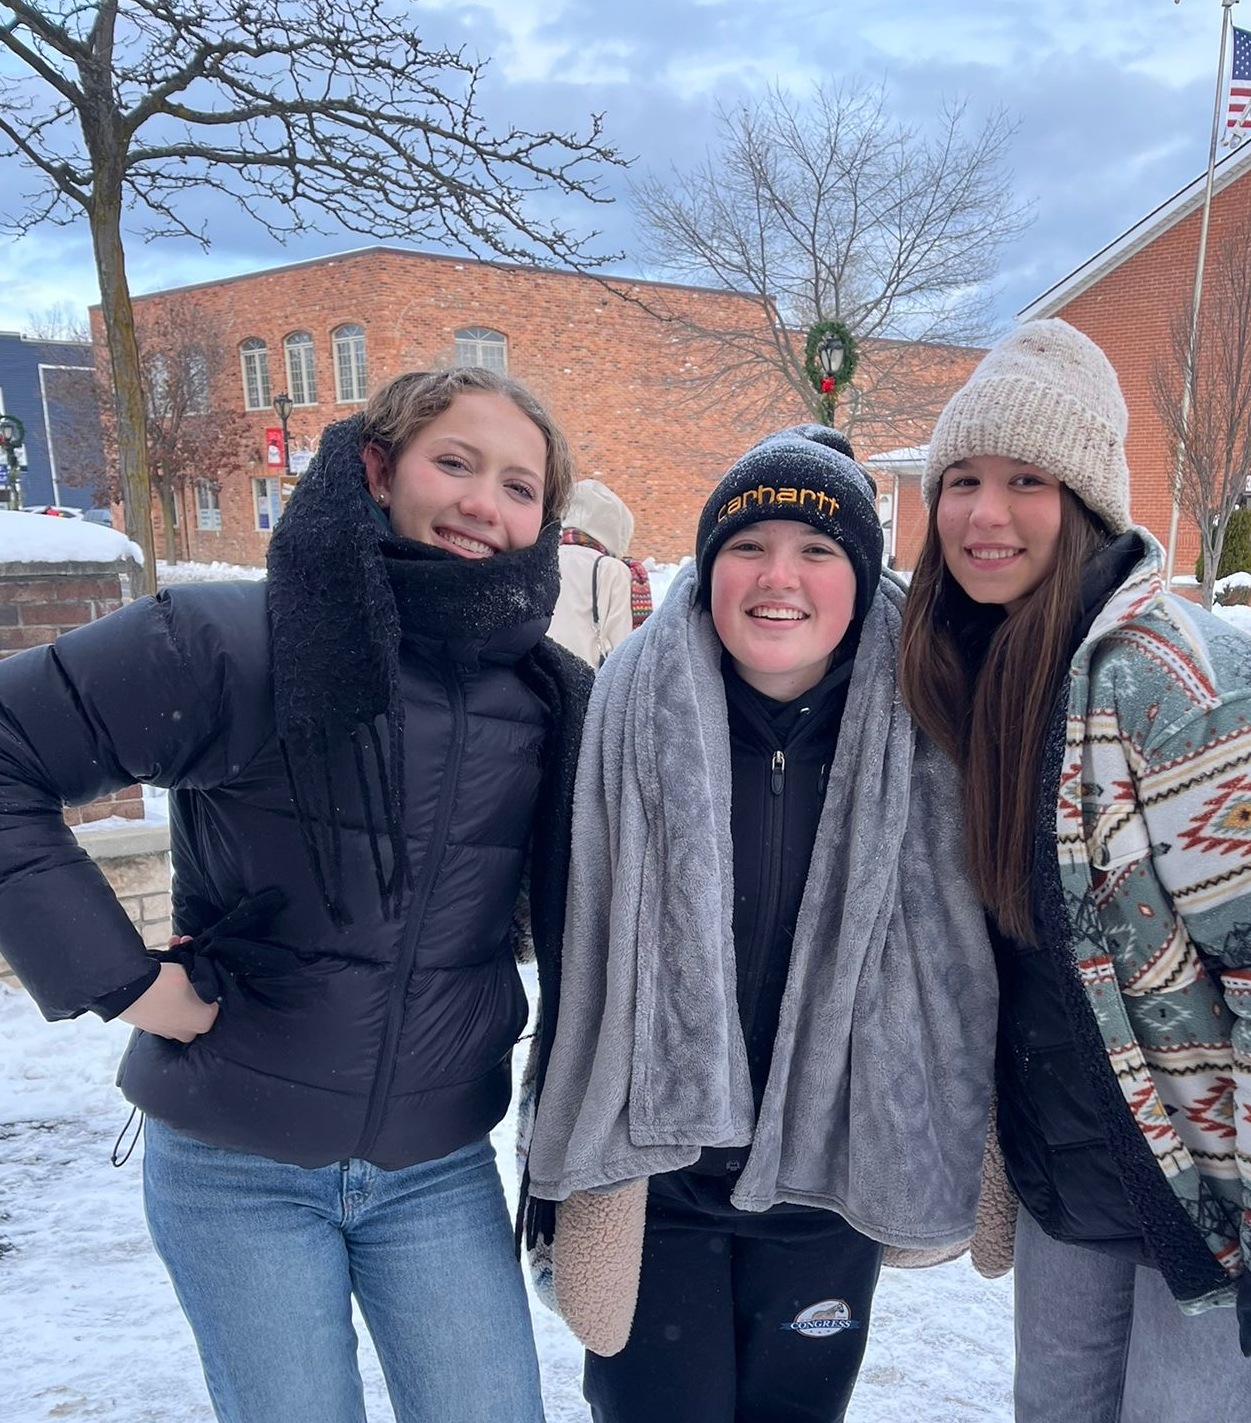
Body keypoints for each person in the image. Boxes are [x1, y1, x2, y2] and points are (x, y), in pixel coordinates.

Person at [0, 367, 593, 1423]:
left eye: (518, 487)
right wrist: (128, 984)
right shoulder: (236, 642)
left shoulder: (550, 700)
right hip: (238, 1166)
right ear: (378, 469)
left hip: (437, 1165)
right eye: (454, 462)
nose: (481, 503)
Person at [898, 319, 1251, 1423]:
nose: (984, 513)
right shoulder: (980, 672)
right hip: (1080, 1184)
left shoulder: (1184, 687)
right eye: (962, 480)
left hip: (1220, 1199)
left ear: (1084, 501)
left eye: (1026, 480)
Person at [523, 425, 998, 1423]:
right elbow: (572, 948)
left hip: (825, 1175)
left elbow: (977, 951)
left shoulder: (936, 718)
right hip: (657, 1175)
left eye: (817, 550)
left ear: (859, 576)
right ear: (709, 566)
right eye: (748, 545)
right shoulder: (620, 707)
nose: (778, 576)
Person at [548, 477, 647, 667]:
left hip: (537, 675)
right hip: (586, 676)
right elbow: (622, 644)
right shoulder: (612, 569)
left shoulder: (544, 559)